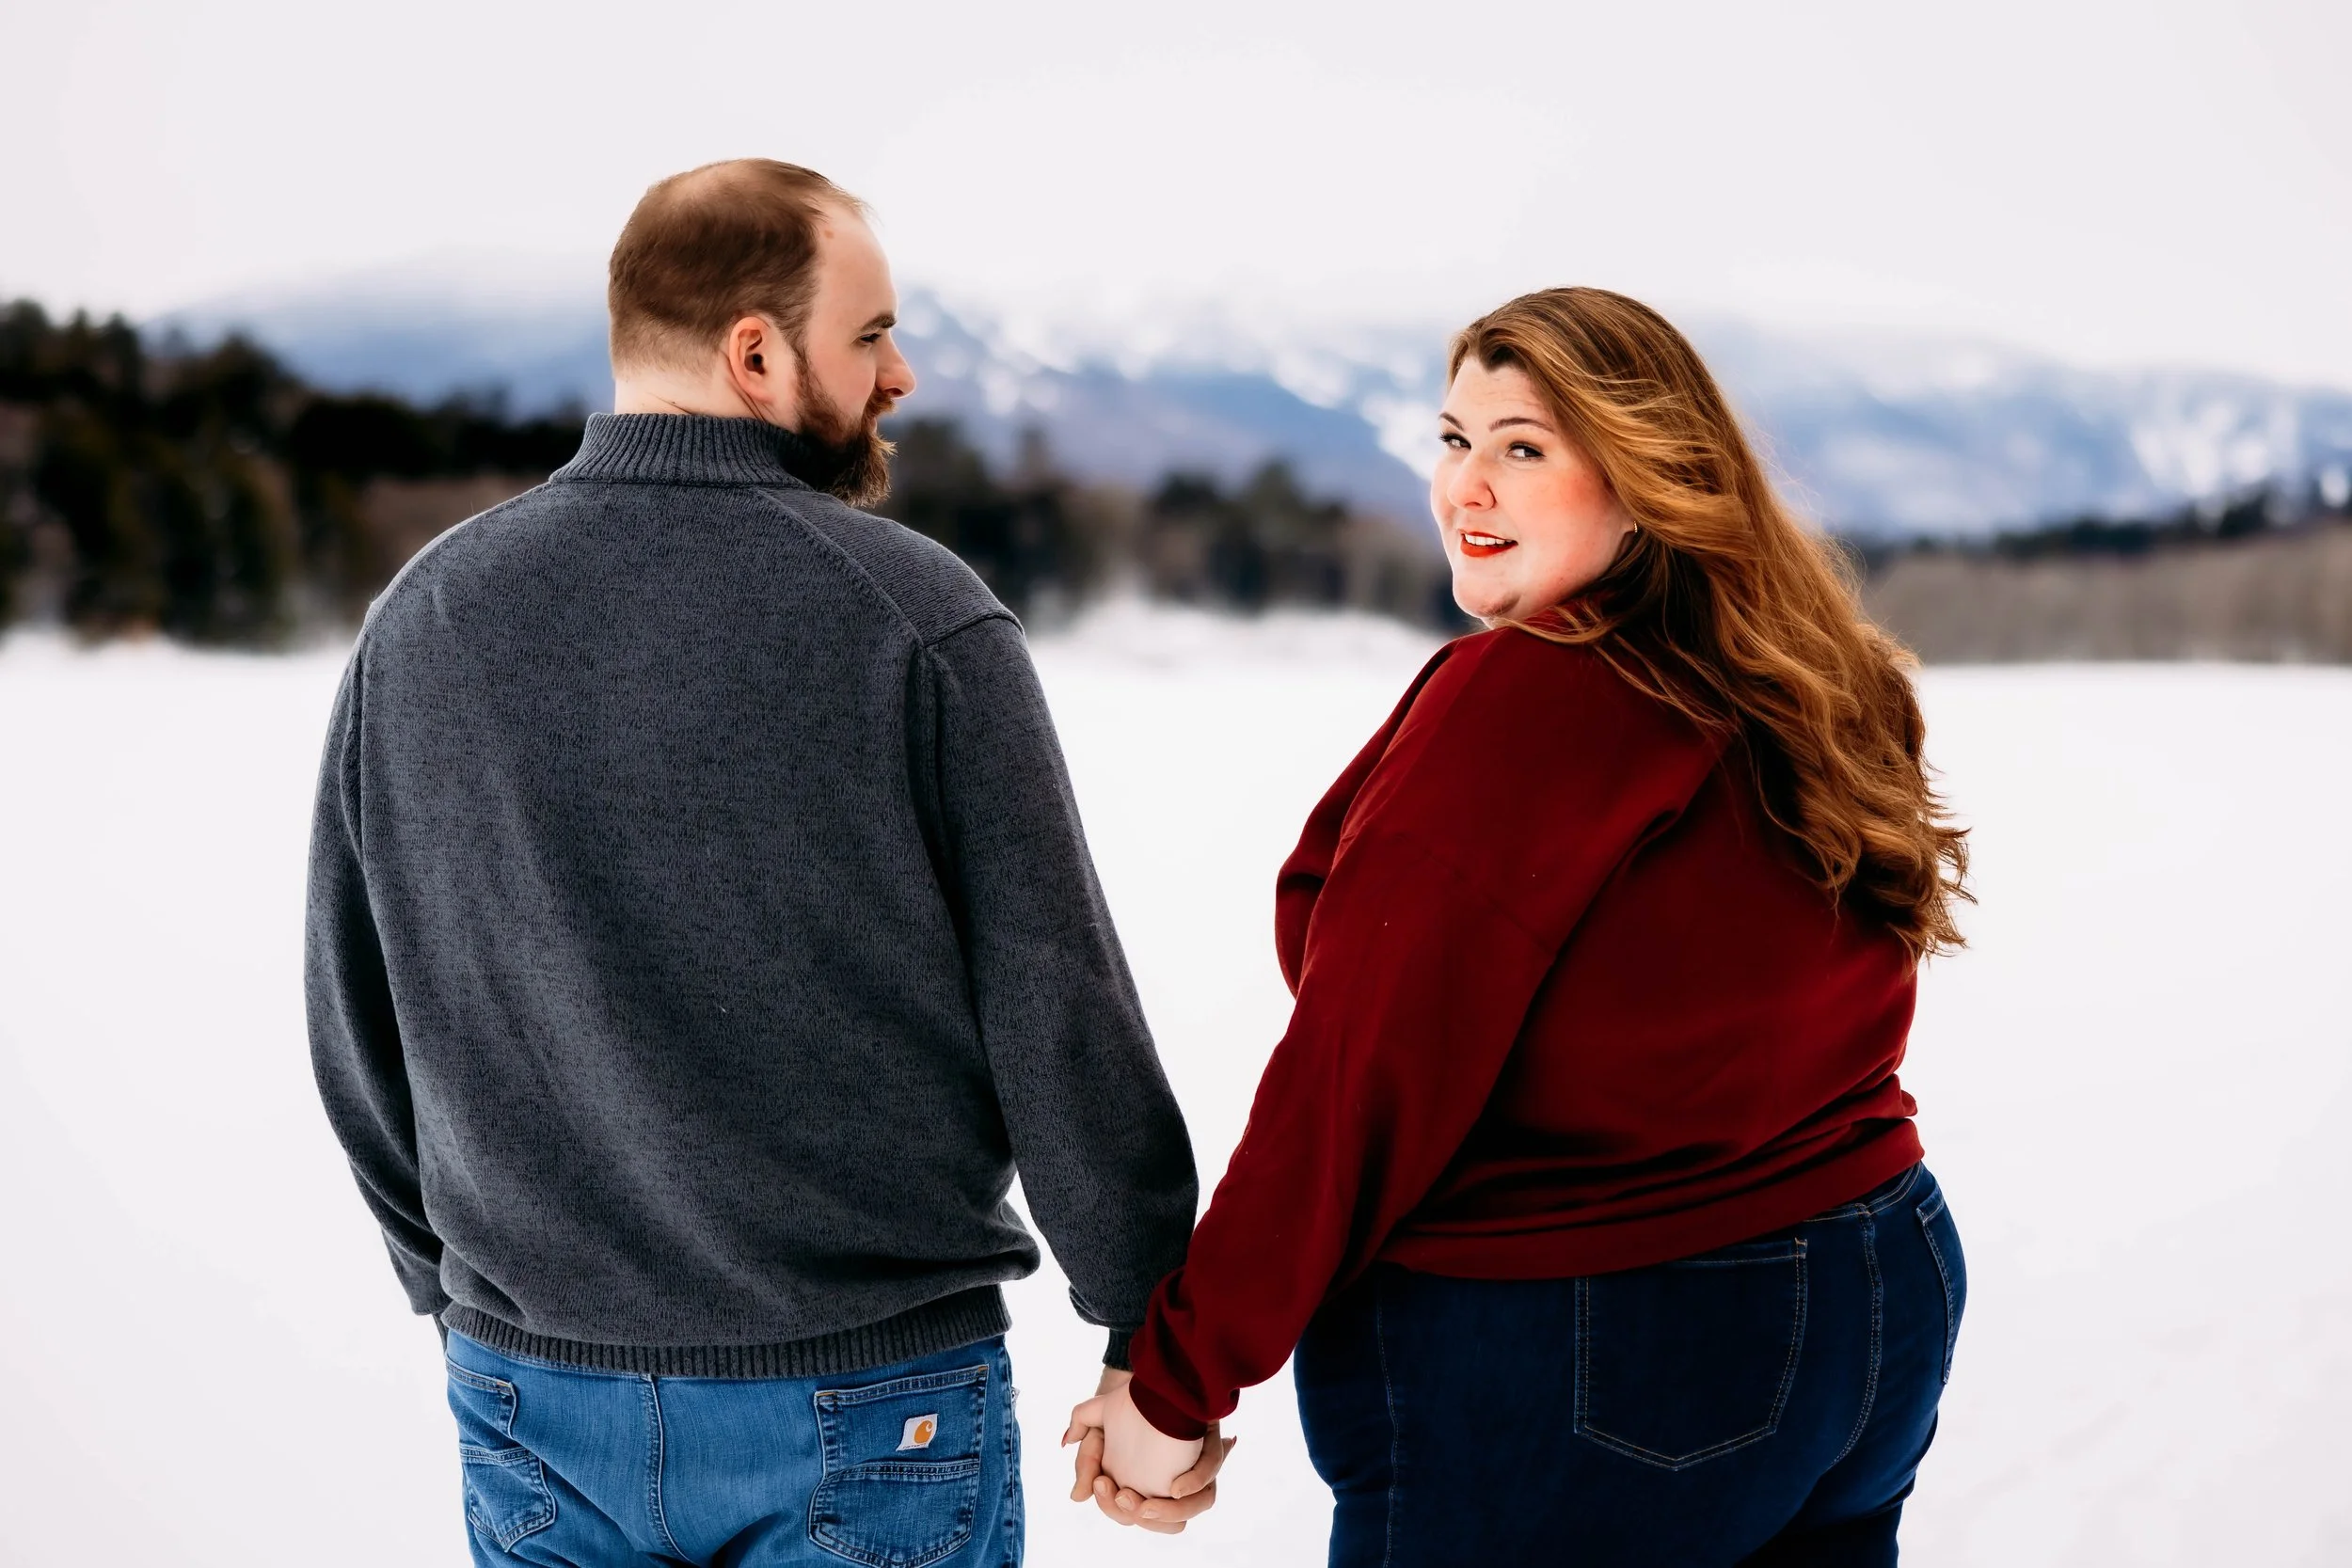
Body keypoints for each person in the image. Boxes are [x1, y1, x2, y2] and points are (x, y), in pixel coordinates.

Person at [305, 158, 1216, 1567]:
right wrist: (1148, 1324)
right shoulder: (917, 620)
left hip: (534, 1392)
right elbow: (1056, 1007)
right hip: (868, 1395)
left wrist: (456, 1287)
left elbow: (352, 1013)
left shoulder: (424, 617)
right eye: (871, 335)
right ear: (754, 353)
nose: (900, 375)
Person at [1069, 287, 1971, 1565]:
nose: (1467, 487)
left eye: (1525, 447)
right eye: (1454, 440)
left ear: (1647, 476)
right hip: (1874, 1290)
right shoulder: (1805, 678)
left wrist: (1176, 1383)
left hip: (1607, 1350)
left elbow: (1357, 1078)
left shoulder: (1536, 697)